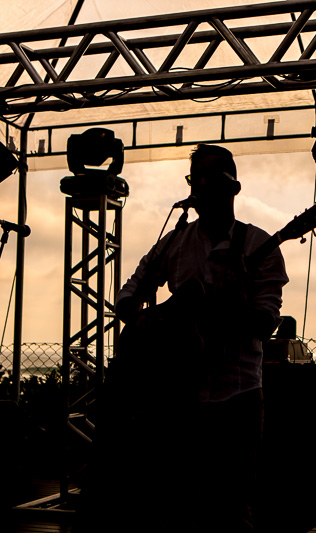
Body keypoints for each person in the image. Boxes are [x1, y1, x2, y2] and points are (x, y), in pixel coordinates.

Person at [82, 144, 288, 533]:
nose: (202, 187)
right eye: (196, 179)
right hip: (179, 397)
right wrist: (147, 322)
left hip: (238, 397)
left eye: (212, 178)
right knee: (175, 505)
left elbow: (264, 324)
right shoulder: (175, 242)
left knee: (231, 508)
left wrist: (235, 302)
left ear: (234, 187)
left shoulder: (258, 246)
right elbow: (128, 294)